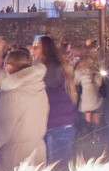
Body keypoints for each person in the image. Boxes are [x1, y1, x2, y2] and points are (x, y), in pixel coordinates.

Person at [33, 36, 77, 164]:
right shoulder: (56, 65)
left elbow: (44, 90)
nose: (33, 50)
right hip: (61, 121)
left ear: (45, 49)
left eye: (37, 47)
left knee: (55, 167)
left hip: (56, 122)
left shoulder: (50, 67)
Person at [74, 54, 104, 131]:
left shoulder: (80, 70)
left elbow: (75, 81)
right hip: (96, 96)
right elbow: (99, 83)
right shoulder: (96, 71)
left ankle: (88, 133)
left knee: (87, 114)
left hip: (86, 97)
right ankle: (96, 133)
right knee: (96, 113)